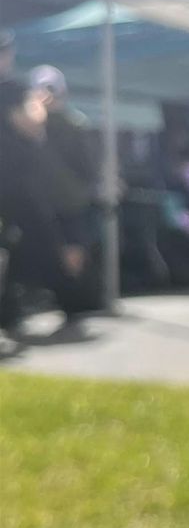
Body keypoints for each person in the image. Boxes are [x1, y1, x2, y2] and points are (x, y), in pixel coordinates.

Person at [0, 36, 84, 331]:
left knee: (23, 243)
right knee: (41, 240)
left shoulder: (11, 88)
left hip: (15, 182)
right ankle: (69, 302)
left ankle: (10, 310)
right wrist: (37, 103)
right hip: (16, 183)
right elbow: (32, 123)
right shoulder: (11, 89)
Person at [29, 65, 103, 311]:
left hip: (70, 200)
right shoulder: (33, 124)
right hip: (44, 201)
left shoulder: (73, 124)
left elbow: (87, 164)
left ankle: (76, 299)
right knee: (53, 251)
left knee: (73, 251)